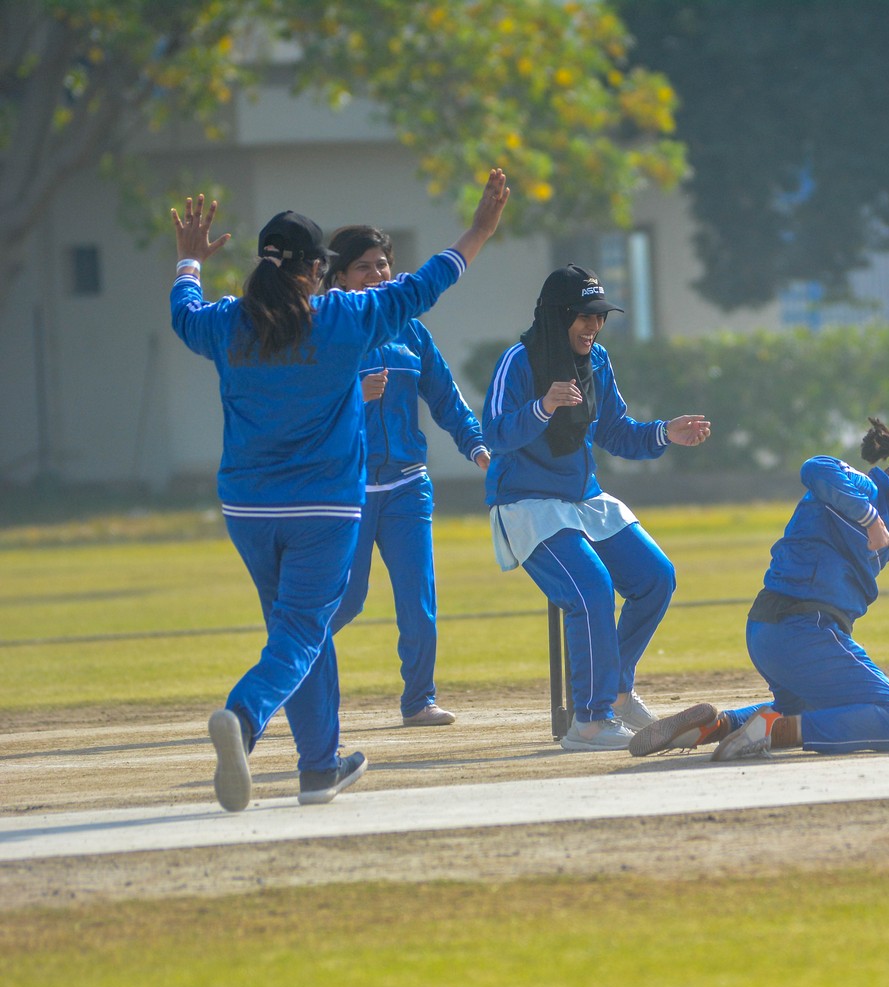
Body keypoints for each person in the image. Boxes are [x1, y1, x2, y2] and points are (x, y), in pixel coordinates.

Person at [170, 169, 509, 811]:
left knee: (300, 631)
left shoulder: (227, 323)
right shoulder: (344, 317)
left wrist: (189, 261)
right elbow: (427, 283)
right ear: (317, 270)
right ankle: (243, 717)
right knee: (302, 632)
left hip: (246, 507)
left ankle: (320, 767)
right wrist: (478, 231)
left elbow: (183, 312)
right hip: (323, 508)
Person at [628, 418, 889, 762]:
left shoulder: (883, 524)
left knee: (814, 708)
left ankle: (718, 726)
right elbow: (816, 467)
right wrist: (870, 518)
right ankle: (771, 731)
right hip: (804, 630)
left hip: (766, 630)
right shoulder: (867, 493)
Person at [481, 264, 711, 752]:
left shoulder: (598, 360)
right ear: (558, 315)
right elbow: (495, 435)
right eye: (585, 316)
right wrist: (542, 407)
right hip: (526, 502)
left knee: (656, 577)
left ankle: (616, 692)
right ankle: (588, 722)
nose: (594, 326)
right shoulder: (517, 361)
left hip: (582, 498)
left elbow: (615, 432)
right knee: (591, 588)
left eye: (600, 317)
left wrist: (665, 433)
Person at [323, 225, 492, 728]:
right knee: (345, 600)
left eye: (382, 264)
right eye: (363, 266)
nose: (376, 274)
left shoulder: (410, 329)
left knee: (418, 601)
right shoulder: (324, 328)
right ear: (339, 276)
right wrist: (355, 394)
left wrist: (478, 447)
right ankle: (284, 674)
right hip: (347, 489)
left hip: (407, 485)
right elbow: (303, 405)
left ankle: (419, 700)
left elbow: (446, 399)